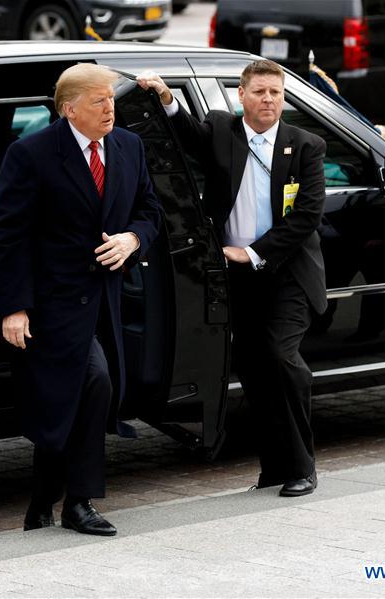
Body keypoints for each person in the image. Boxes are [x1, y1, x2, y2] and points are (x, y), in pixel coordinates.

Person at [138, 60, 327, 496]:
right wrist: (165, 96)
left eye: (275, 93)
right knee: (256, 371)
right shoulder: (223, 131)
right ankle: (275, 468)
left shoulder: (305, 145)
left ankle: (303, 468)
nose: (268, 100)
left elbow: (308, 215)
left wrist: (254, 252)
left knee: (282, 358)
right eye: (259, 92)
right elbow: (186, 136)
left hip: (286, 274)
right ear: (241, 95)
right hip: (235, 278)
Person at [0, 64, 161, 535]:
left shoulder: (129, 146)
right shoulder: (32, 154)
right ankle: (79, 503)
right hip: (54, 303)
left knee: (69, 396)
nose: (110, 108)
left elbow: (150, 210)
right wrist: (14, 307)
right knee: (94, 383)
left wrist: (132, 240)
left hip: (108, 299)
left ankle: (43, 499)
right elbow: (9, 236)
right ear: (69, 109)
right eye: (98, 102)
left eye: (111, 99)